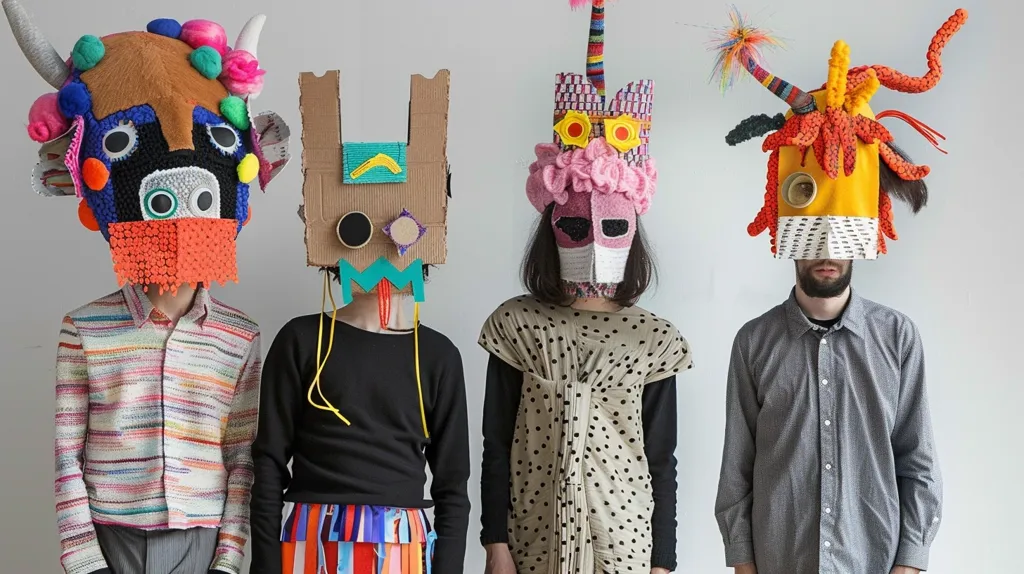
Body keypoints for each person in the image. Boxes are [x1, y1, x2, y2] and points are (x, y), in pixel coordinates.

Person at [2, 4, 292, 573]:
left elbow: (240, 457)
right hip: (111, 538)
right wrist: (85, 560)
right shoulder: (84, 330)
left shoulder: (239, 337)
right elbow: (67, 454)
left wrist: (228, 559)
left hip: (201, 538)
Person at [708, 7, 966, 573]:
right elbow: (737, 468)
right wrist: (743, 563)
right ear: (787, 231)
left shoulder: (897, 338)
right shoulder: (754, 343)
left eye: (840, 233)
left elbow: (918, 461)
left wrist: (910, 564)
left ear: (864, 231)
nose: (827, 250)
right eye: (813, 234)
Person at [478, 2, 693, 572]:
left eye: (613, 228)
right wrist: (495, 543)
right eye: (575, 228)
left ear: (633, 231)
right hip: (533, 542)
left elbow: (662, 458)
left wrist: (663, 562)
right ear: (552, 229)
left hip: (624, 546)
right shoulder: (517, 327)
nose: (593, 243)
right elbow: (496, 443)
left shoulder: (653, 340)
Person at [249, 66, 470, 574]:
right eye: (356, 228)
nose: (377, 245)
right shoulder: (301, 340)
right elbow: (268, 462)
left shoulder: (438, 356)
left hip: (403, 545)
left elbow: (452, 484)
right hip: (311, 541)